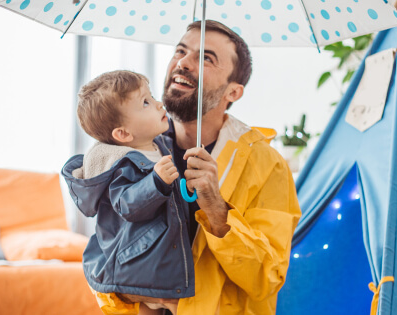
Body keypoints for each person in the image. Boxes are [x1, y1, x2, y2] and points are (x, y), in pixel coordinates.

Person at [159, 20, 303, 314]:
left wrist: (216, 209)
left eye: (205, 58)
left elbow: (267, 277)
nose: (183, 63)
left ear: (233, 92)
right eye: (180, 50)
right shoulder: (135, 148)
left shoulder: (268, 166)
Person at [61, 70, 195, 315]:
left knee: (153, 308)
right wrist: (156, 182)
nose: (158, 103)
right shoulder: (123, 163)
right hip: (138, 262)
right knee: (180, 306)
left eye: (152, 96)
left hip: (154, 258)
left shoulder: (158, 144)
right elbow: (126, 204)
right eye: (145, 102)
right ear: (123, 134)